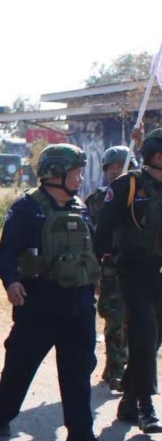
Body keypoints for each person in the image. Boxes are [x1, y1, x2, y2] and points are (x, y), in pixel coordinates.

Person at [0, 144, 108, 441]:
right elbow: (6, 253)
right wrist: (12, 281)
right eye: (75, 173)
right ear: (56, 173)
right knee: (20, 366)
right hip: (38, 303)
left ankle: (80, 435)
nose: (80, 179)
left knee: (78, 371)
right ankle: (1, 415)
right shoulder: (27, 208)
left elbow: (91, 250)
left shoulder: (81, 208)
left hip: (78, 304)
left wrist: (95, 279)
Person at [94, 128, 162, 434]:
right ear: (157, 156)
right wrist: (95, 270)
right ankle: (146, 406)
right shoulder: (128, 185)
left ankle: (129, 399)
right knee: (144, 331)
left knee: (153, 339)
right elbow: (103, 228)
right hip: (133, 270)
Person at [85, 145, 135, 391]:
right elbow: (88, 236)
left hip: (136, 268)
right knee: (114, 318)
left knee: (136, 321)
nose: (115, 171)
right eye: (111, 167)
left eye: (120, 166)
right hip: (108, 269)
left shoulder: (141, 197)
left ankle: (131, 370)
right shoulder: (96, 200)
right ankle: (115, 369)